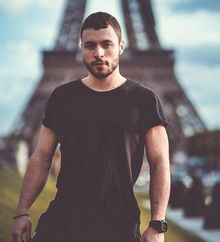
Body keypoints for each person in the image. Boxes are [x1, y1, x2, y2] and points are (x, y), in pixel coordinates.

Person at [12, 12, 170, 242]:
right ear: (81, 48)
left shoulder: (145, 100)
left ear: (121, 46)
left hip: (118, 226)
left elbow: (159, 163)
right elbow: (42, 157)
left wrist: (157, 225)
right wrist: (21, 211)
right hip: (62, 223)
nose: (98, 53)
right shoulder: (62, 97)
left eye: (107, 44)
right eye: (90, 45)